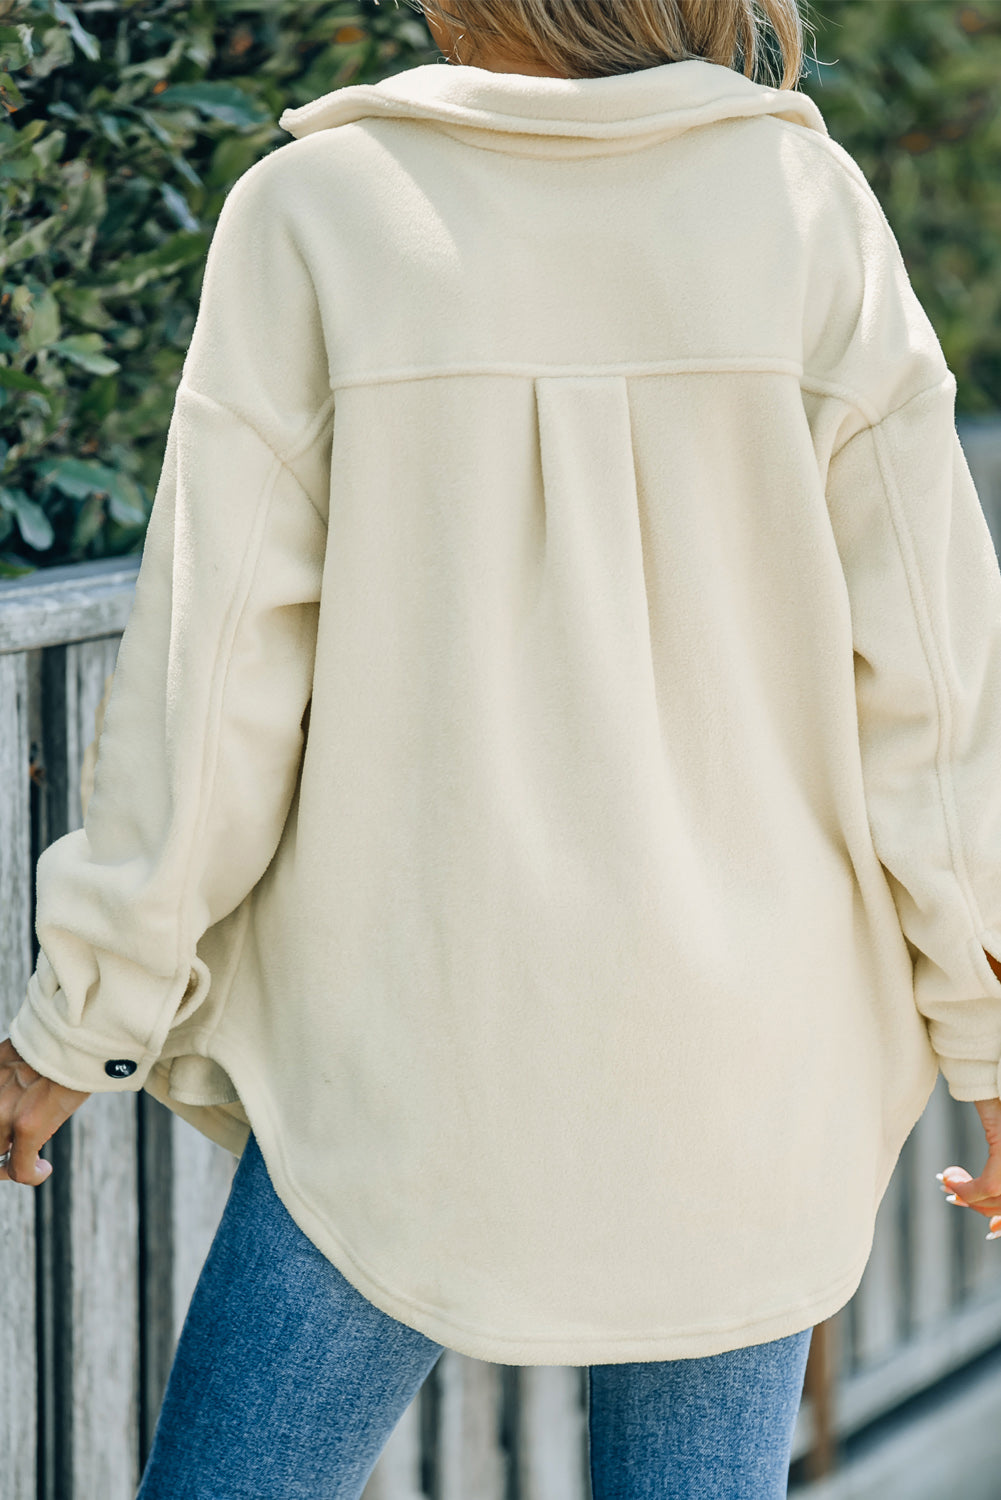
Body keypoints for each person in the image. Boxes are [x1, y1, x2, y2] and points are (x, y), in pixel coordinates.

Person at [4, 1, 1001, 1495]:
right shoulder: (805, 212)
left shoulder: (321, 211)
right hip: (746, 1072)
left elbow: (214, 692)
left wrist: (80, 1017)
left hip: (404, 1061)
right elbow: (936, 688)